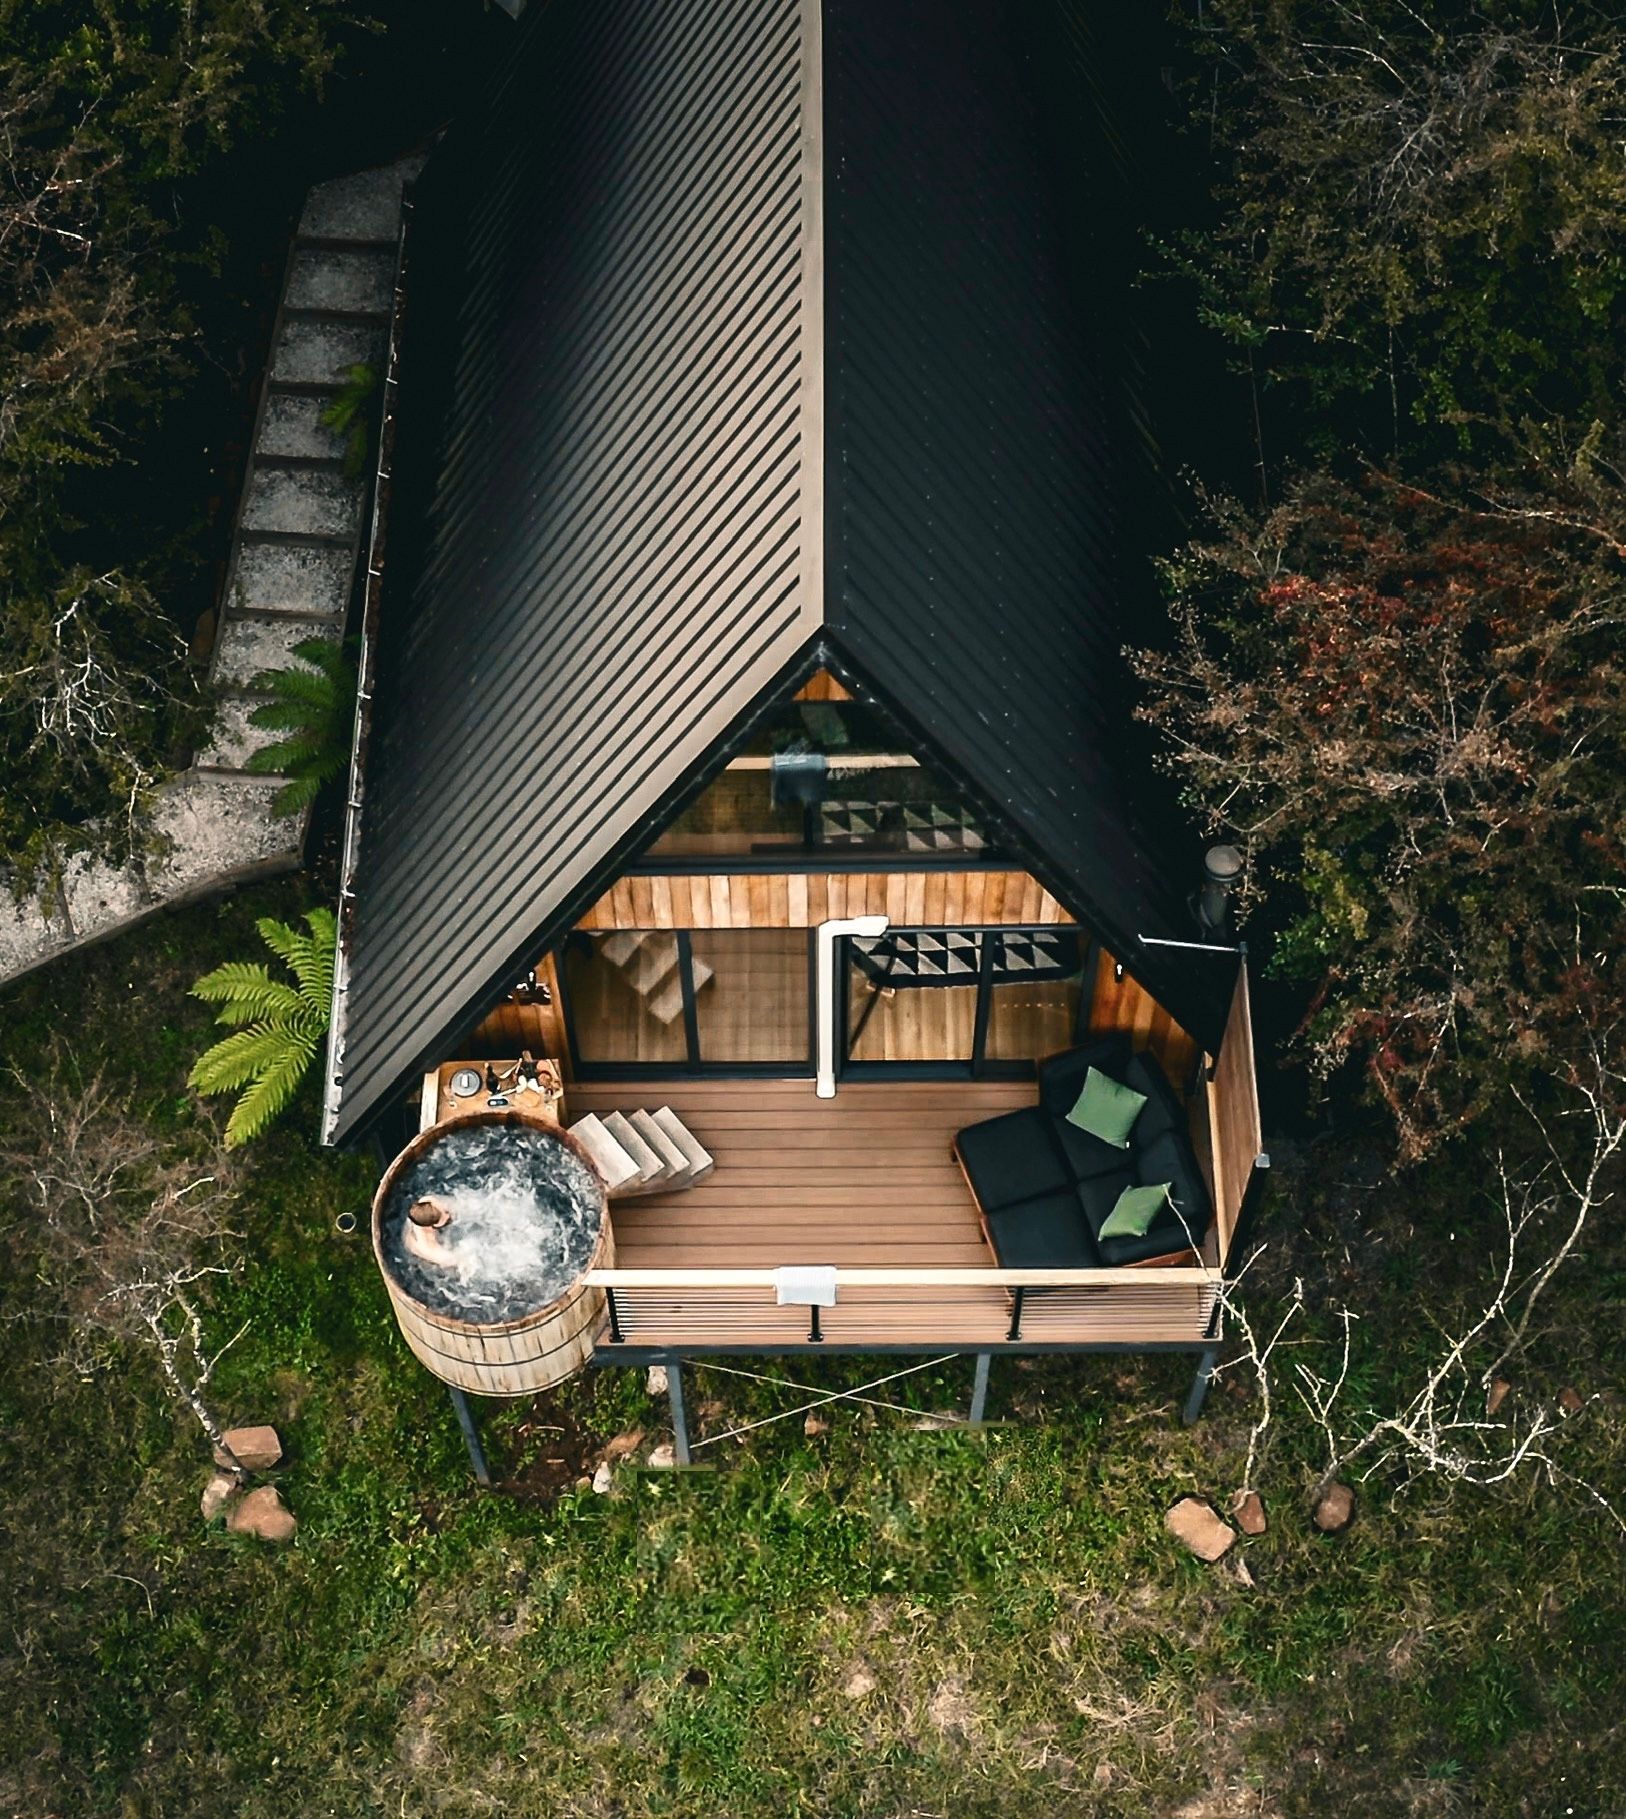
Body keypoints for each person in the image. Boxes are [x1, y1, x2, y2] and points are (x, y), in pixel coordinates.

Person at [402, 1195, 457, 1269]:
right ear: (429, 1227)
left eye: (445, 1211)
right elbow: (452, 1260)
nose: (447, 1215)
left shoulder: (427, 1201)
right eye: (445, 1215)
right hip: (421, 1255)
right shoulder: (428, 1245)